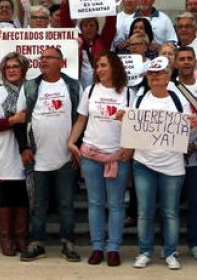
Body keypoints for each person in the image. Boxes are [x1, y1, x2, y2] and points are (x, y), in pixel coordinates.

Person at [130, 56, 197, 270]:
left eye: (159, 73)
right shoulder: (139, 99)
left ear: (168, 76)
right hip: (143, 163)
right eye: (151, 73)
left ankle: (170, 252)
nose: (154, 77)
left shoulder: (179, 101)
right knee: (144, 211)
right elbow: (132, 129)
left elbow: (190, 135)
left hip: (172, 165)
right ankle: (145, 251)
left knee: (170, 212)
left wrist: (194, 126)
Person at [67, 51, 133, 267]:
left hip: (118, 156)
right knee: (95, 202)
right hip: (91, 155)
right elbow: (81, 120)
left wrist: (129, 149)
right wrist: (71, 142)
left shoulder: (130, 94)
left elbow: (135, 127)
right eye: (97, 66)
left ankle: (113, 248)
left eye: (104, 65)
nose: (99, 69)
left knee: (116, 204)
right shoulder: (90, 90)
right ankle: (97, 247)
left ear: (115, 66)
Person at [19, 46, 82, 263]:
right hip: (38, 159)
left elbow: (81, 120)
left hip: (65, 157)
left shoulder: (72, 86)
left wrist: (77, 149)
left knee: (66, 203)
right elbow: (20, 119)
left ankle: (68, 243)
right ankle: (37, 243)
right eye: (42, 57)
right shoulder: (30, 86)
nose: (43, 60)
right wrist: (24, 148)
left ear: (61, 62)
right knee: (38, 204)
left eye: (49, 57)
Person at [0, 52, 31, 257]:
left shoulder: (30, 89)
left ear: (23, 69)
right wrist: (15, 120)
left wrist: (19, 120)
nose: (12, 70)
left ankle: (21, 236)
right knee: (9, 192)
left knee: (24, 192)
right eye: (8, 67)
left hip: (29, 147)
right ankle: (6, 237)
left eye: (16, 66)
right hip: (6, 147)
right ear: (3, 71)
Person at [172, 46, 197, 261]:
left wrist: (195, 144)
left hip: (196, 156)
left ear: (196, 61)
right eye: (182, 59)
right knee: (172, 204)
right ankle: (172, 244)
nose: (186, 62)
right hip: (171, 157)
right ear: (175, 63)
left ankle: (196, 243)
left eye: (189, 58)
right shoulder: (167, 88)